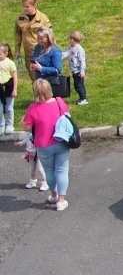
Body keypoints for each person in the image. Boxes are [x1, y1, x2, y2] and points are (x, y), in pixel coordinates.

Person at [22, 77, 72, 211]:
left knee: (49, 171)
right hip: (61, 142)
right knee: (62, 170)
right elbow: (67, 115)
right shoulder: (59, 102)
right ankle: (61, 201)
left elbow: (27, 128)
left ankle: (53, 195)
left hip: (43, 145)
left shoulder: (32, 108)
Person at [29, 28, 64, 98]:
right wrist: (33, 65)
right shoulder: (37, 47)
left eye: (42, 39)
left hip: (51, 82)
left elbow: (57, 70)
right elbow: (34, 59)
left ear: (48, 38)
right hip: (39, 81)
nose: (39, 41)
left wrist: (41, 68)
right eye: (38, 38)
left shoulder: (55, 51)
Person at [64, 30, 87, 106]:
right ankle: (83, 97)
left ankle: (83, 98)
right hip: (74, 71)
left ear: (72, 40)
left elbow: (82, 61)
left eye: (69, 39)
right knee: (81, 85)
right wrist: (58, 56)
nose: (68, 40)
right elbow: (66, 53)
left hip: (78, 71)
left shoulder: (79, 49)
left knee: (78, 86)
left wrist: (82, 71)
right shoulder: (71, 47)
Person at [0, 43, 16, 136]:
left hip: (8, 87)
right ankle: (1, 125)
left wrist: (14, 89)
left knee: (9, 107)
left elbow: (15, 77)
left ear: (6, 53)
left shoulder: (10, 63)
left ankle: (10, 124)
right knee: (0, 108)